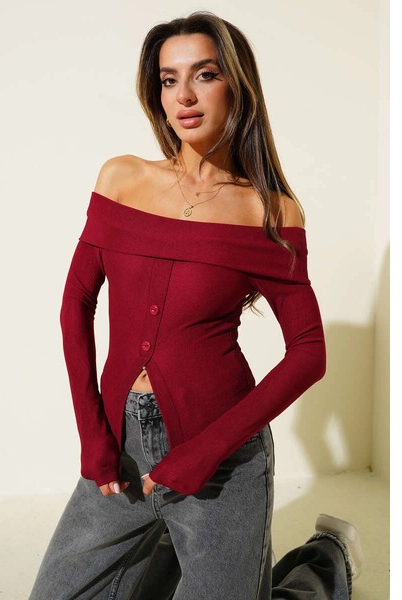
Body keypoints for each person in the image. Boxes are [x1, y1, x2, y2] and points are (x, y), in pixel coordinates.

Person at [29, 10, 364, 600]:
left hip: (222, 462)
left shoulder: (268, 211)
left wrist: (208, 452)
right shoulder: (121, 178)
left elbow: (309, 351)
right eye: (168, 79)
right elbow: (76, 300)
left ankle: (327, 559)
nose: (183, 95)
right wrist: (92, 433)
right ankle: (171, 553)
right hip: (121, 450)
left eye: (204, 75)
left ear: (236, 85)